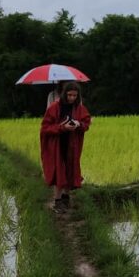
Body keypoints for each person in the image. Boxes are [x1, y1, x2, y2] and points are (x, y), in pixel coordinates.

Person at [40, 81, 91, 213]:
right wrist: (62, 127)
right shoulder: (54, 108)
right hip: (57, 144)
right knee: (58, 171)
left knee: (70, 169)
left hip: (72, 144)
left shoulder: (79, 108)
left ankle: (66, 198)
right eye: (69, 95)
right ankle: (57, 201)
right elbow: (45, 128)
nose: (72, 98)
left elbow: (86, 123)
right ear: (64, 94)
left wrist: (78, 124)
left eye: (75, 95)